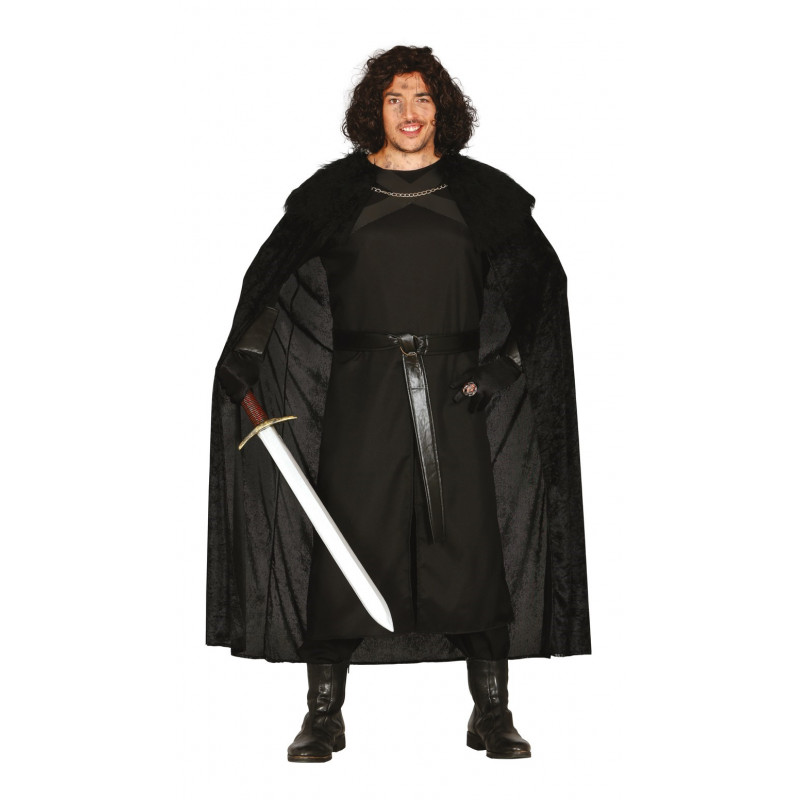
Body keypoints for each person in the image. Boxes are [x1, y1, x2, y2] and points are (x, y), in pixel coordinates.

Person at [207, 45, 591, 762]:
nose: (409, 113)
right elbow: (274, 279)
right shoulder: (335, 196)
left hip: (454, 396)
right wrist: (246, 353)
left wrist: (500, 371)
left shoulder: (481, 196)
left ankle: (492, 710)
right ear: (374, 110)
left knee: (468, 545)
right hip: (363, 395)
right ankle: (323, 713)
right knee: (348, 539)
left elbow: (544, 294)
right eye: (394, 99)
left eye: (422, 98)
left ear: (441, 108)